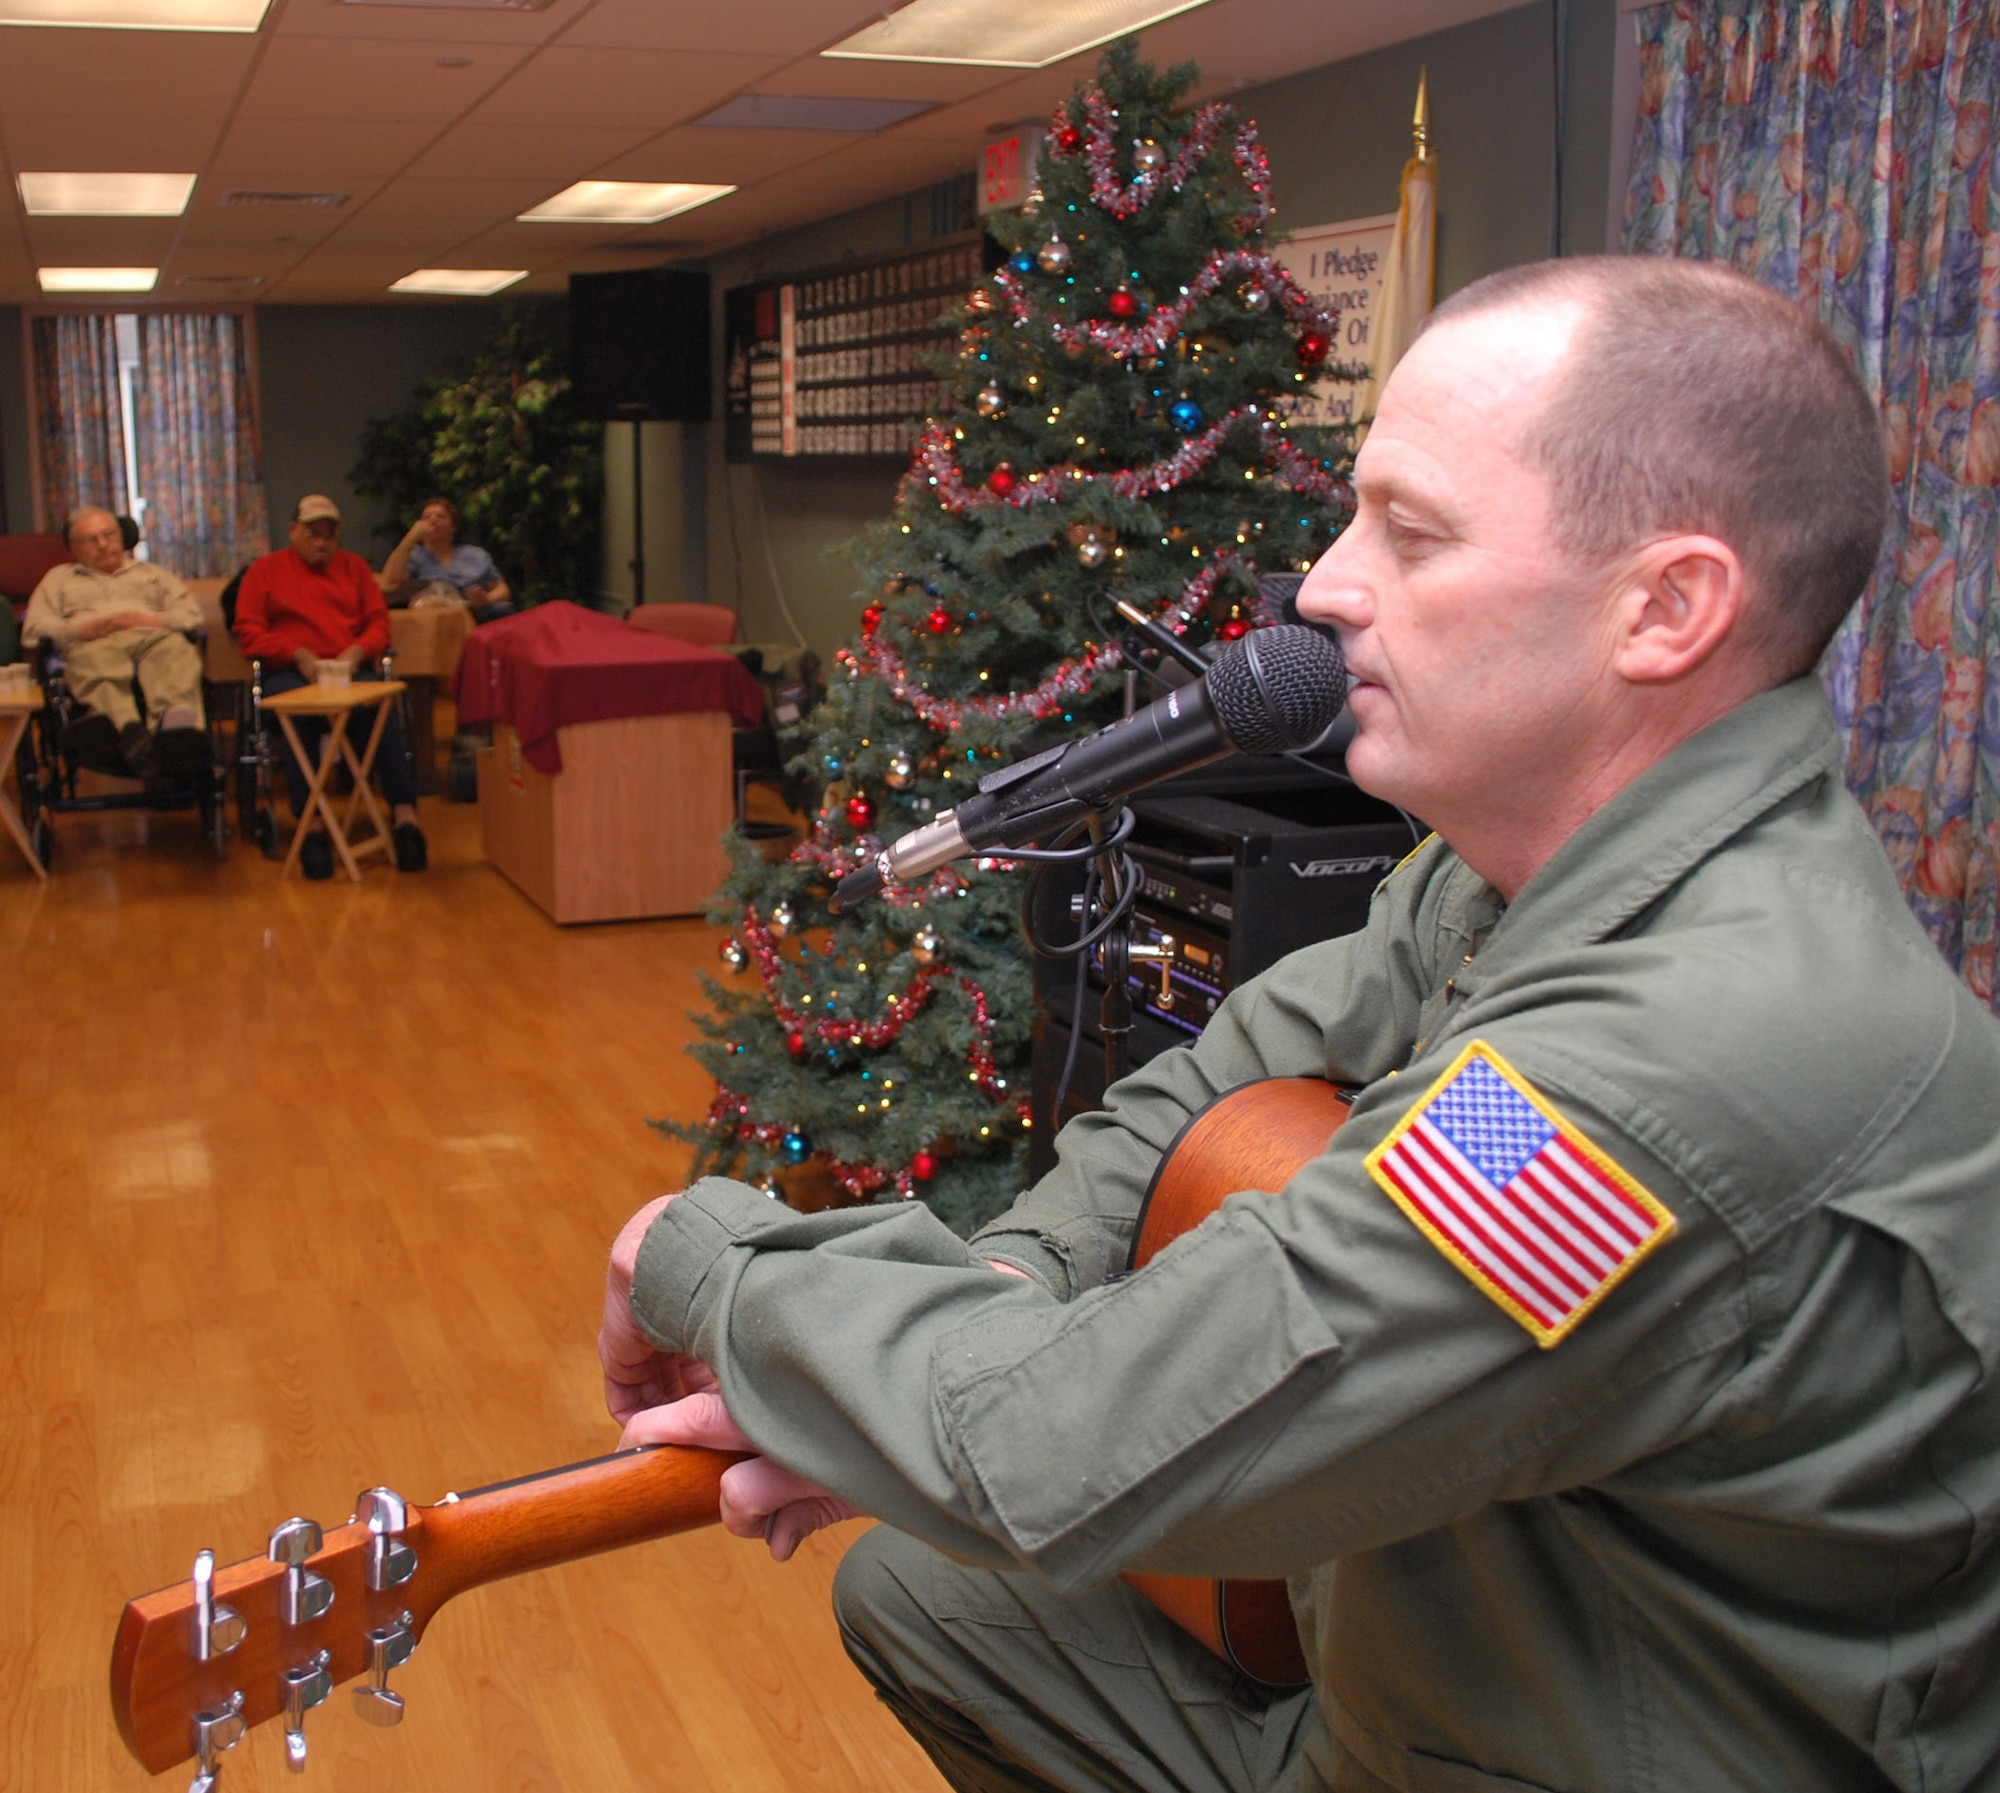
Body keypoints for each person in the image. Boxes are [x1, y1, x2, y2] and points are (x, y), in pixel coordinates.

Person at [597, 257, 2000, 1793]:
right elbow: (1222, 1076)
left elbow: (1072, 1441)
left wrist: (702, 1253)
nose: (1323, 586)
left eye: (1412, 532)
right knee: (926, 1598)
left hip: (1581, 1742)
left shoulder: (1670, 1063)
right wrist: (1017, 1270)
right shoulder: (1505, 870)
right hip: (1407, 1661)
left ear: (1665, 608)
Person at [233, 494, 427, 879]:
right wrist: (295, 654)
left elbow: (379, 623)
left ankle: (405, 817)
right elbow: (248, 632)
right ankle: (314, 826)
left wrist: (357, 651)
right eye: (313, 533)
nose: (322, 542)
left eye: (329, 535)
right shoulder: (265, 572)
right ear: (293, 531)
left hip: (346, 669)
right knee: (298, 717)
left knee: (380, 712)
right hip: (291, 670)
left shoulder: (355, 568)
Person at [20, 505, 207, 779]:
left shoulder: (152, 573)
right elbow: (33, 630)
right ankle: (128, 732)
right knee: (93, 660)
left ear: (122, 536)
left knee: (177, 650)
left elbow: (191, 616)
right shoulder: (58, 579)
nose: (103, 544)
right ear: (73, 547)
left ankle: (172, 731)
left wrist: (153, 620)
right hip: (93, 642)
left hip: (153, 637)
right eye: (91, 539)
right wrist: (80, 630)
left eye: (109, 535)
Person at [379, 496, 514, 623]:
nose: (433, 520)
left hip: (474, 611)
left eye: (441, 516)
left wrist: (485, 600)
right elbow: (391, 580)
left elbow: (503, 590)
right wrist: (410, 539)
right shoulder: (415, 555)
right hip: (434, 612)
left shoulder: (475, 555)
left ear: (453, 527)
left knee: (503, 609)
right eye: (427, 517)